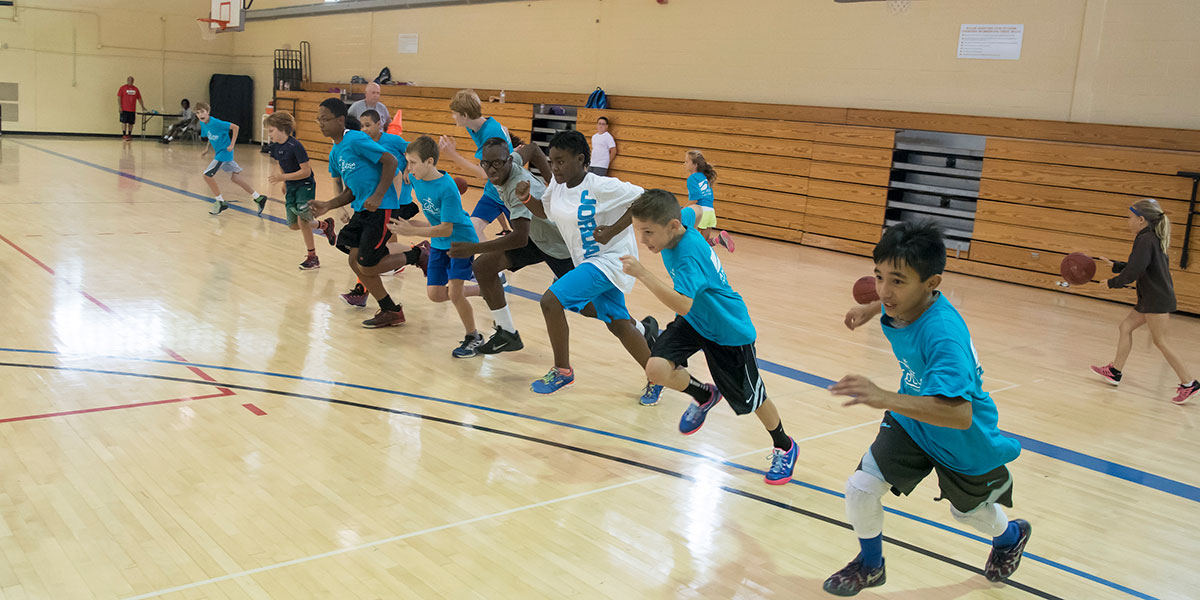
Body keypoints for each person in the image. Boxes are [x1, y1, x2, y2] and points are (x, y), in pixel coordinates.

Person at [824, 221, 1030, 596]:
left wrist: (883, 397)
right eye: (879, 277)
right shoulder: (907, 303)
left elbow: (959, 414)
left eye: (897, 281)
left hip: (962, 437)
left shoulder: (944, 335)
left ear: (931, 283)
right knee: (861, 489)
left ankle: (1010, 536)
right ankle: (871, 565)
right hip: (912, 420)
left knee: (967, 513)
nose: (884, 290)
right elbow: (894, 297)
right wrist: (871, 308)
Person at [622, 189, 798, 484]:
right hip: (695, 321)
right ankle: (704, 395)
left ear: (672, 226)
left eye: (648, 232)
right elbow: (699, 210)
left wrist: (642, 274)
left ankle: (785, 445)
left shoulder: (688, 256)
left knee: (754, 399)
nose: (643, 239)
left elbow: (682, 303)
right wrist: (712, 228)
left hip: (727, 330)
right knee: (656, 369)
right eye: (640, 231)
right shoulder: (679, 221)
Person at [519, 130, 662, 405]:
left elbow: (645, 198)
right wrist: (527, 199)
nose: (554, 167)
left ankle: (562, 371)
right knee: (618, 324)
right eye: (551, 161)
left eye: (561, 161)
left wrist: (612, 230)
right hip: (588, 262)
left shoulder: (600, 185)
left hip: (611, 260)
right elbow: (546, 212)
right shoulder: (557, 186)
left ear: (580, 159)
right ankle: (659, 375)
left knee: (550, 301)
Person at [309, 98, 427, 329]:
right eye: (318, 119)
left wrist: (379, 195)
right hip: (362, 210)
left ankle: (418, 254)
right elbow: (351, 190)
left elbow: (390, 161)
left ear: (340, 120)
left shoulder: (356, 139)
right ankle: (390, 310)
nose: (320, 123)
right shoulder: (335, 152)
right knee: (355, 261)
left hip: (381, 208)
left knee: (368, 264)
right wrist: (328, 205)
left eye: (325, 119)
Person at [447, 137, 571, 355]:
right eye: (486, 164)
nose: (491, 169)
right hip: (535, 237)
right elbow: (533, 148)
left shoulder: (516, 186)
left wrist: (472, 249)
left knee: (590, 306)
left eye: (497, 163)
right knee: (483, 267)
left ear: (508, 162)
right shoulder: (508, 161)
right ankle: (507, 333)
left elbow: (518, 238)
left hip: (559, 245)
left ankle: (631, 324)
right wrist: (554, 185)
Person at [1090, 198, 1199, 404]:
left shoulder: (1146, 239)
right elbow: (1140, 266)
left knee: (1161, 341)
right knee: (1125, 327)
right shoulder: (1150, 237)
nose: (1128, 222)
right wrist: (1117, 266)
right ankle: (1115, 371)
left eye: (1129, 218)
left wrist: (1112, 283)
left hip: (1155, 299)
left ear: (1141, 219)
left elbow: (1135, 271)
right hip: (1151, 297)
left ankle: (1189, 383)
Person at [389, 136, 485, 358]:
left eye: (413, 163)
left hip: (461, 243)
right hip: (440, 243)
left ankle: (473, 337)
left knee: (455, 293)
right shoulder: (416, 178)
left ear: (430, 162)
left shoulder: (447, 187)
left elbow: (446, 229)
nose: (409, 167)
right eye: (408, 162)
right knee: (435, 294)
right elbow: (401, 174)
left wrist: (412, 231)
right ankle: (483, 289)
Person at [264, 111, 337, 270]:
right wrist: (285, 181)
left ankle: (313, 257)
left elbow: (306, 171)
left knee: (303, 220)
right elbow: (281, 163)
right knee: (293, 224)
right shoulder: (275, 147)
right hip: (291, 186)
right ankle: (325, 225)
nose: (269, 134)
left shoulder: (296, 146)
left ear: (282, 129)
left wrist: (283, 177)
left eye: (271, 131)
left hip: (305, 185)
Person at [440, 89, 514, 240]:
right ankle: (490, 255)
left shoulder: (491, 131)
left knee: (531, 239)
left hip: (511, 192)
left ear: (465, 115)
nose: (452, 116)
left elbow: (483, 173)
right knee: (474, 229)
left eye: (454, 113)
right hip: (494, 191)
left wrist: (452, 155)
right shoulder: (474, 126)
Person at [196, 102, 268, 216]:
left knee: (207, 176)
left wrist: (232, 144)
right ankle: (258, 197)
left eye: (202, 112)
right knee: (235, 178)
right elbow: (211, 135)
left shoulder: (216, 122)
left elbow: (235, 127)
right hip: (220, 153)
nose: (200, 114)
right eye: (197, 113)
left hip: (224, 153)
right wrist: (207, 149)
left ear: (208, 112)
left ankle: (220, 202)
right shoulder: (203, 123)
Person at [683, 150, 734, 252]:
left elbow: (695, 199)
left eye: (687, 162)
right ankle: (718, 239)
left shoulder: (692, 178)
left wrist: (682, 210)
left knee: (693, 242)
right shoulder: (703, 176)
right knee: (703, 243)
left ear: (695, 165)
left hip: (701, 212)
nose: (684, 164)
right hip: (710, 212)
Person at [117, 76, 147, 141]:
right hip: (124, 109)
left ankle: (129, 134)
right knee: (124, 122)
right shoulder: (122, 88)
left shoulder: (136, 89)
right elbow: (119, 97)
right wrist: (120, 107)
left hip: (132, 109)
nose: (130, 81)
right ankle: (124, 135)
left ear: (133, 81)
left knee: (131, 123)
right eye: (129, 80)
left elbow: (139, 98)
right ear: (127, 80)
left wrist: (142, 106)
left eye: (131, 80)